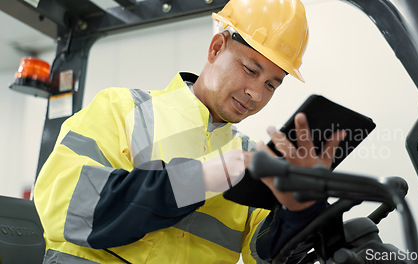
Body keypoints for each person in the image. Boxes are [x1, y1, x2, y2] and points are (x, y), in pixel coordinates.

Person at [33, 0, 346, 263]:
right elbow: (64, 206)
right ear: (216, 48)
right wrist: (202, 177)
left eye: (270, 85)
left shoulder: (251, 160)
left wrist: (299, 210)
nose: (256, 94)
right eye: (250, 69)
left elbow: (262, 255)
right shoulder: (122, 108)